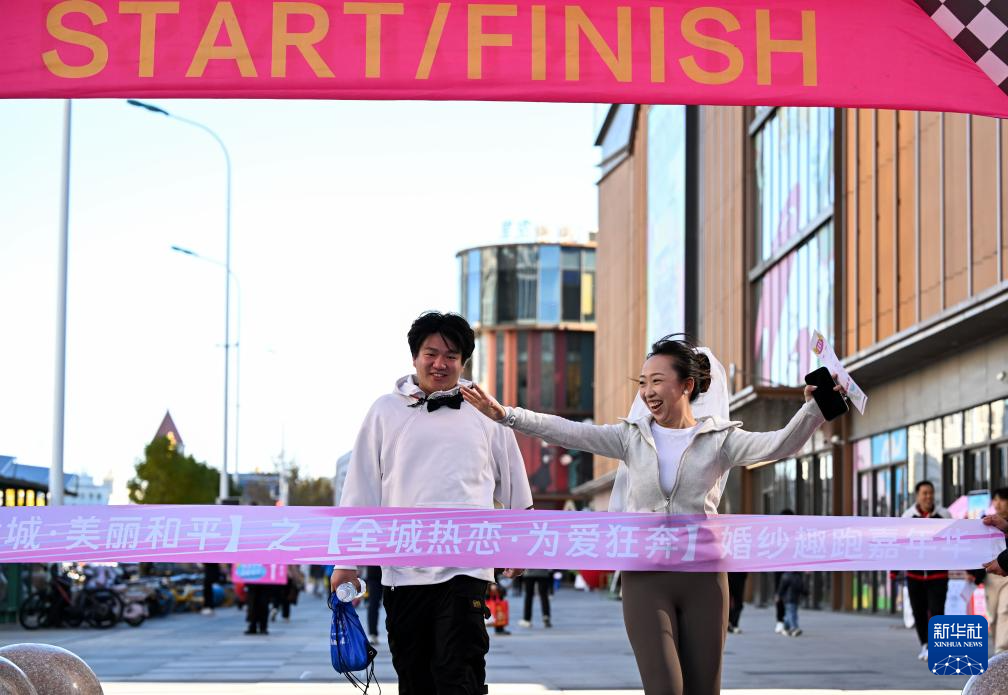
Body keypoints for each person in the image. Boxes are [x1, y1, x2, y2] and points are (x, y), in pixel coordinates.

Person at [462, 334, 838, 695]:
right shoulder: (631, 437)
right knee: (665, 689)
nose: (647, 392)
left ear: (687, 385)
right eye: (643, 382)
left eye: (657, 381)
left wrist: (813, 409)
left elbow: (779, 444)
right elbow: (568, 432)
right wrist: (506, 415)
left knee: (703, 690)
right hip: (645, 579)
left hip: (704, 579)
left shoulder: (720, 439)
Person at [331, 311, 534, 695]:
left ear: (463, 362)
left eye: (451, 356)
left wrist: (518, 546)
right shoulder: (384, 411)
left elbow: (514, 481)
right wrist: (345, 562)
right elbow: (360, 488)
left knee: (460, 671)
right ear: (414, 357)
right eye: (431, 354)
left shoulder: (486, 412)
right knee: (414, 675)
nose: (440, 363)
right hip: (402, 570)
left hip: (467, 565)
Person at [901, 480, 951, 661]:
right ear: (917, 496)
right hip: (914, 575)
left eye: (931, 493)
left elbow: (954, 540)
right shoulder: (907, 517)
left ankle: (937, 647)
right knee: (919, 611)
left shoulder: (944, 515)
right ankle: (925, 644)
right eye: (924, 493)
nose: (928, 497)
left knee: (937, 611)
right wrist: (895, 570)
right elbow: (899, 544)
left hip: (938, 574)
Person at [983, 489, 1008, 653]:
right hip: (992, 575)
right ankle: (998, 654)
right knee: (992, 616)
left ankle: (1002, 651)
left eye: (1002, 499)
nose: (998, 503)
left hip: (1006, 571)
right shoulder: (986, 521)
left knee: (1005, 610)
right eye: (995, 499)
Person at [776, 571, 805, 636]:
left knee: (788, 614)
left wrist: (779, 595)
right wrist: (779, 595)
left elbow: (782, 587)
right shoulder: (796, 576)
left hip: (791, 598)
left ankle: (785, 628)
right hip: (790, 598)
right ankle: (794, 628)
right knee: (792, 613)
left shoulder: (787, 575)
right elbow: (782, 587)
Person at [365, 565, 383, 645]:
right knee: (373, 605)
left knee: (373, 605)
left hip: (379, 572)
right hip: (375, 573)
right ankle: (372, 634)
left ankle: (373, 634)